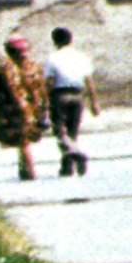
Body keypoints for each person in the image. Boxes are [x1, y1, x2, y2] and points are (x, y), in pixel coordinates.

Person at [42, 26, 97, 178]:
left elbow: (49, 81)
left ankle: (77, 154)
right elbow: (89, 81)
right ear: (70, 40)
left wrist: (43, 100)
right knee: (72, 133)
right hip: (78, 96)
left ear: (55, 41)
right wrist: (94, 102)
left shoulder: (53, 58)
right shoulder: (81, 57)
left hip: (60, 96)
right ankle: (67, 167)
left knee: (60, 132)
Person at [0, 36, 48, 182]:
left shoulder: (6, 68)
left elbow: (12, 90)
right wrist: (42, 107)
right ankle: (24, 169)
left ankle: (29, 172)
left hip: (16, 109)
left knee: (23, 142)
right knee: (23, 141)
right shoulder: (33, 66)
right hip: (32, 107)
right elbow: (41, 87)